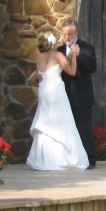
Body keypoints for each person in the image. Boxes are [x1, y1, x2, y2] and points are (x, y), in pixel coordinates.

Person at [27, 31, 89, 170]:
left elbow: (39, 75)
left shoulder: (39, 56)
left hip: (44, 90)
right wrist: (73, 55)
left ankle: (45, 158)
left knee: (46, 120)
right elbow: (72, 71)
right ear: (52, 42)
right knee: (61, 120)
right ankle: (62, 157)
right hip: (55, 91)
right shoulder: (58, 55)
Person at [57, 19, 97, 168]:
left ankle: (90, 159)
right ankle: (69, 160)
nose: (67, 37)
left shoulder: (87, 48)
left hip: (82, 96)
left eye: (70, 34)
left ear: (77, 33)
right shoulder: (59, 50)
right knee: (65, 129)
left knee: (83, 128)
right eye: (64, 34)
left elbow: (92, 67)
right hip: (63, 95)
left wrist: (78, 55)